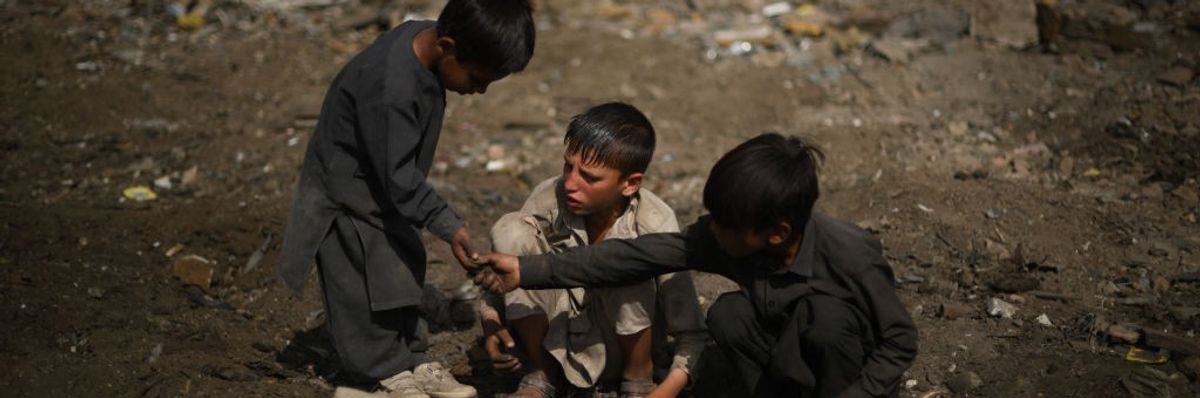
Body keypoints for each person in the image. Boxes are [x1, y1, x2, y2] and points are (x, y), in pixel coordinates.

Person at [473, 133, 919, 397]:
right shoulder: (728, 236)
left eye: (724, 226)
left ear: (777, 233)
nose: (712, 231)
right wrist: (527, 271)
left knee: (825, 319)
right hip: (788, 352)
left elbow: (899, 341)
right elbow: (630, 257)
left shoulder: (850, 254)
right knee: (729, 314)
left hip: (851, 375)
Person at [277, 1, 535, 396]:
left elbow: (398, 176)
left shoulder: (429, 43)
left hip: (388, 187)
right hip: (347, 193)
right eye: (478, 77)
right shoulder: (390, 87)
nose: (479, 90)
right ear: (447, 46)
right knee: (358, 283)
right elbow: (397, 177)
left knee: (400, 266)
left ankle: (410, 357)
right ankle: (378, 372)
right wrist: (448, 225)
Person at [479, 103, 706, 398]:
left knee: (624, 258)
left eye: (589, 177)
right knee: (511, 228)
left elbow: (692, 331)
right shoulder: (551, 196)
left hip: (620, 351)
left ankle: (637, 379)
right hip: (557, 343)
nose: (571, 183)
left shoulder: (655, 222)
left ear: (630, 184)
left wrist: (667, 389)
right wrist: (491, 322)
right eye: (568, 166)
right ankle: (541, 376)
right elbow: (508, 271)